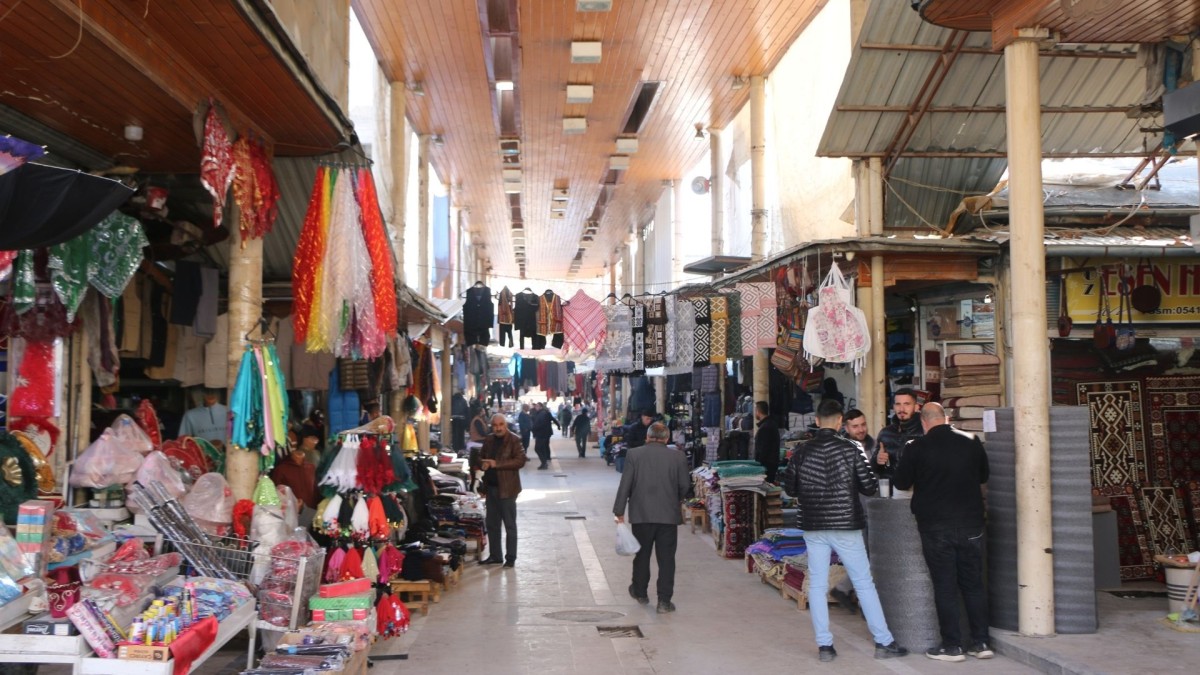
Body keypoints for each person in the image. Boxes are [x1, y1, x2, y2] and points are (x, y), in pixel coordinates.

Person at [782, 399, 908, 663]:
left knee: (816, 585)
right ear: (840, 422)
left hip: (814, 525)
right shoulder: (852, 448)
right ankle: (883, 642)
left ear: (817, 421)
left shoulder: (802, 451)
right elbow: (868, 486)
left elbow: (790, 489)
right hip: (846, 525)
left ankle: (825, 647)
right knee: (864, 583)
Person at [892, 402, 992, 662]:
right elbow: (984, 476)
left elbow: (901, 482)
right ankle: (981, 642)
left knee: (945, 585)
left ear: (924, 422)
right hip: (971, 524)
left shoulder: (916, 448)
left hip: (935, 527)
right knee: (973, 584)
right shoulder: (971, 440)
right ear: (946, 418)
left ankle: (952, 646)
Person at [612, 423, 691, 614]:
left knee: (642, 555)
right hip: (668, 516)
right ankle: (664, 602)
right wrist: (674, 499)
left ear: (647, 437)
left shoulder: (634, 454)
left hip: (641, 515)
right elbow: (685, 486)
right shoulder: (678, 456)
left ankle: (640, 592)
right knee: (666, 559)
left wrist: (619, 511)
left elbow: (626, 484)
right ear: (666, 438)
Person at [830, 407, 877, 612]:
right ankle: (846, 589)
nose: (861, 430)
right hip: (853, 511)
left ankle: (846, 590)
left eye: (863, 425)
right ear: (846, 427)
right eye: (855, 426)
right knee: (864, 554)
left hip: (873, 509)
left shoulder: (875, 446)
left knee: (870, 554)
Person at [472, 414, 527, 567]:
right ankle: (495, 555)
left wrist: (497, 464)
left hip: (508, 489)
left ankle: (510, 558)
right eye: (495, 425)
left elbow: (520, 460)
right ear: (492, 426)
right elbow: (481, 456)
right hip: (492, 489)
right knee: (492, 524)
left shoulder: (514, 440)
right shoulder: (489, 440)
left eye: (501, 424)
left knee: (509, 525)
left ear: (506, 425)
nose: (498, 428)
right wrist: (482, 463)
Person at [270, 430, 318, 527]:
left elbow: (315, 489)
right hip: (290, 514)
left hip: (310, 511)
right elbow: (277, 493)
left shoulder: (310, 467)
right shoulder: (282, 469)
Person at [874, 388, 923, 480]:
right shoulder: (885, 433)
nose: (901, 409)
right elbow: (875, 468)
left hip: (916, 489)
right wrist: (878, 460)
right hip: (890, 489)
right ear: (893, 407)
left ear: (916, 407)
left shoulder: (924, 431)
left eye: (906, 404)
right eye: (898, 404)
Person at [618, 409, 655, 474]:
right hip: (638, 453)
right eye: (647, 419)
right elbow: (630, 443)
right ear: (642, 417)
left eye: (650, 419)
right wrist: (644, 442)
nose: (649, 421)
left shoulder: (653, 427)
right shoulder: (634, 428)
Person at [752, 401, 780, 483]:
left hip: (767, 467)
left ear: (758, 411)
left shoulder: (765, 428)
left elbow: (763, 450)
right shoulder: (771, 424)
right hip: (771, 465)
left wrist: (758, 466)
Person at [530, 402, 559, 470]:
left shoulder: (542, 414)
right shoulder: (540, 413)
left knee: (538, 448)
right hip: (542, 433)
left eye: (537, 406)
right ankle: (544, 462)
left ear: (541, 407)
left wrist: (534, 428)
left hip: (541, 434)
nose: (535, 407)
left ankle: (544, 462)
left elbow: (541, 424)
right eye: (535, 406)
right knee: (542, 447)